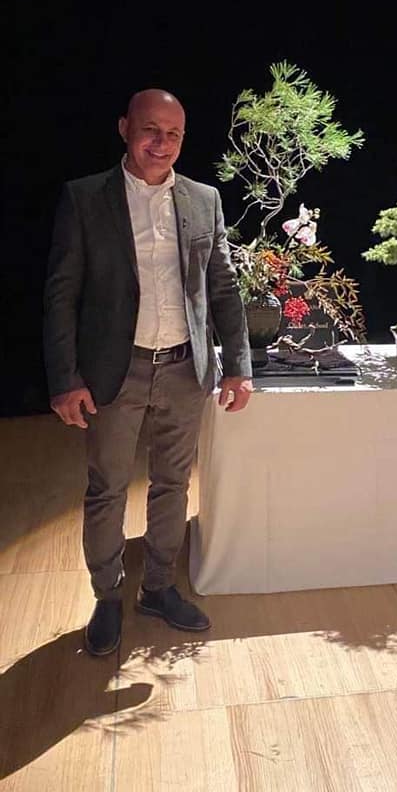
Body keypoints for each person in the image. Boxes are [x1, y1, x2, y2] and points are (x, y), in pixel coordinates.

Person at [44, 88, 253, 655]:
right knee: (107, 489)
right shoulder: (86, 199)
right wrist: (65, 378)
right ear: (124, 128)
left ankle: (157, 588)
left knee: (172, 485)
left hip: (186, 369)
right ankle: (107, 597)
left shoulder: (204, 199)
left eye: (174, 134)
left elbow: (223, 287)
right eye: (150, 130)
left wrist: (237, 365)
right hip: (116, 371)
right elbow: (61, 295)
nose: (161, 143)